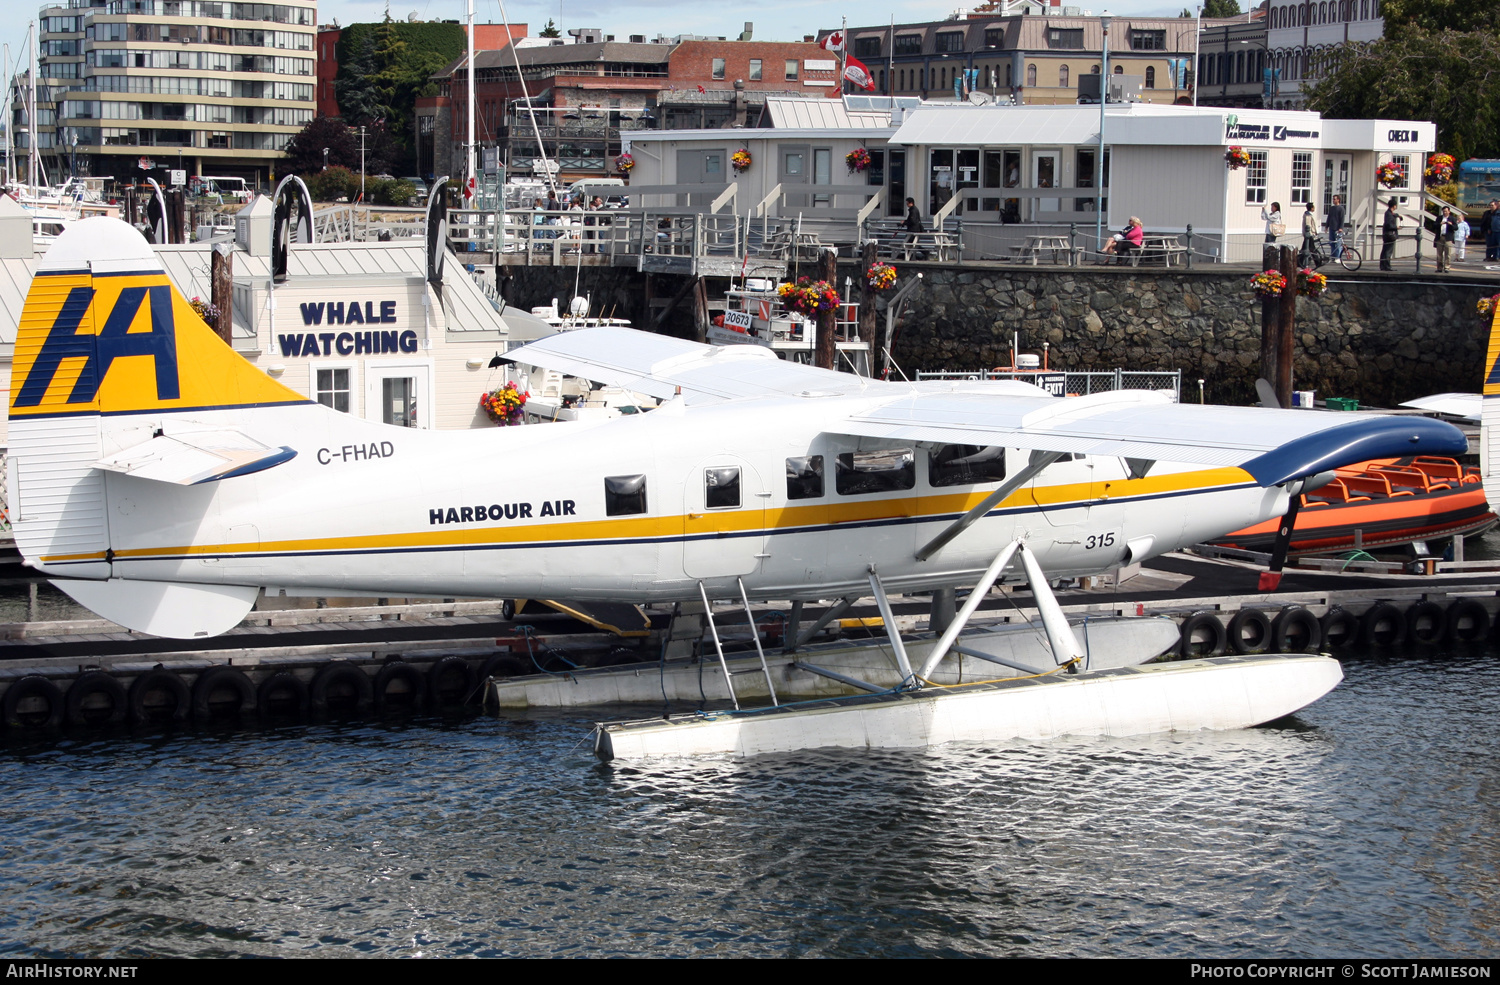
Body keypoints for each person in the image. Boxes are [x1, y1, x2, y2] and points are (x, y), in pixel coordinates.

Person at [1434, 206, 1457, 273]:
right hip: (1440, 237)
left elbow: (1456, 228)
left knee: (1448, 254)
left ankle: (1447, 267)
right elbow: (1434, 225)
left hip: (1448, 238)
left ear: (1449, 211)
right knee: (1439, 254)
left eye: (1446, 211)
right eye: (1444, 211)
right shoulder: (1439, 218)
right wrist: (1440, 224)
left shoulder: (1452, 218)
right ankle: (1439, 268)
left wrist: (1450, 225)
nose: (1445, 212)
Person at [1380, 198, 1400, 271]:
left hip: (1387, 234)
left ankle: (1383, 266)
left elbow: (1393, 215)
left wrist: (1398, 216)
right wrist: (1396, 227)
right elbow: (1389, 225)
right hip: (1389, 235)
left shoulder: (1389, 213)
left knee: (1385, 250)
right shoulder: (1388, 214)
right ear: (1394, 206)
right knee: (1388, 251)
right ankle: (1387, 266)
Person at [1325, 194, 1346, 260]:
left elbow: (1342, 219)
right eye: (1333, 199)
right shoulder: (1331, 208)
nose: (1333, 200)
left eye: (1334, 199)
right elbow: (1329, 217)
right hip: (1331, 227)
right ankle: (1333, 256)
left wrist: (1341, 228)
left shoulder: (1341, 208)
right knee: (1332, 243)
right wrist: (1326, 226)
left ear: (1338, 200)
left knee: (1338, 244)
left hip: (1337, 229)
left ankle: (1338, 257)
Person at [1300, 202, 1318, 266]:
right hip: (1309, 235)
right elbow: (1308, 225)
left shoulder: (1309, 214)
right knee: (1311, 248)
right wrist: (1311, 232)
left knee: (1306, 248)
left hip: (1309, 234)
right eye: (1313, 207)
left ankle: (1300, 261)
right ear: (1311, 208)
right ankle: (1317, 261)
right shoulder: (1308, 215)